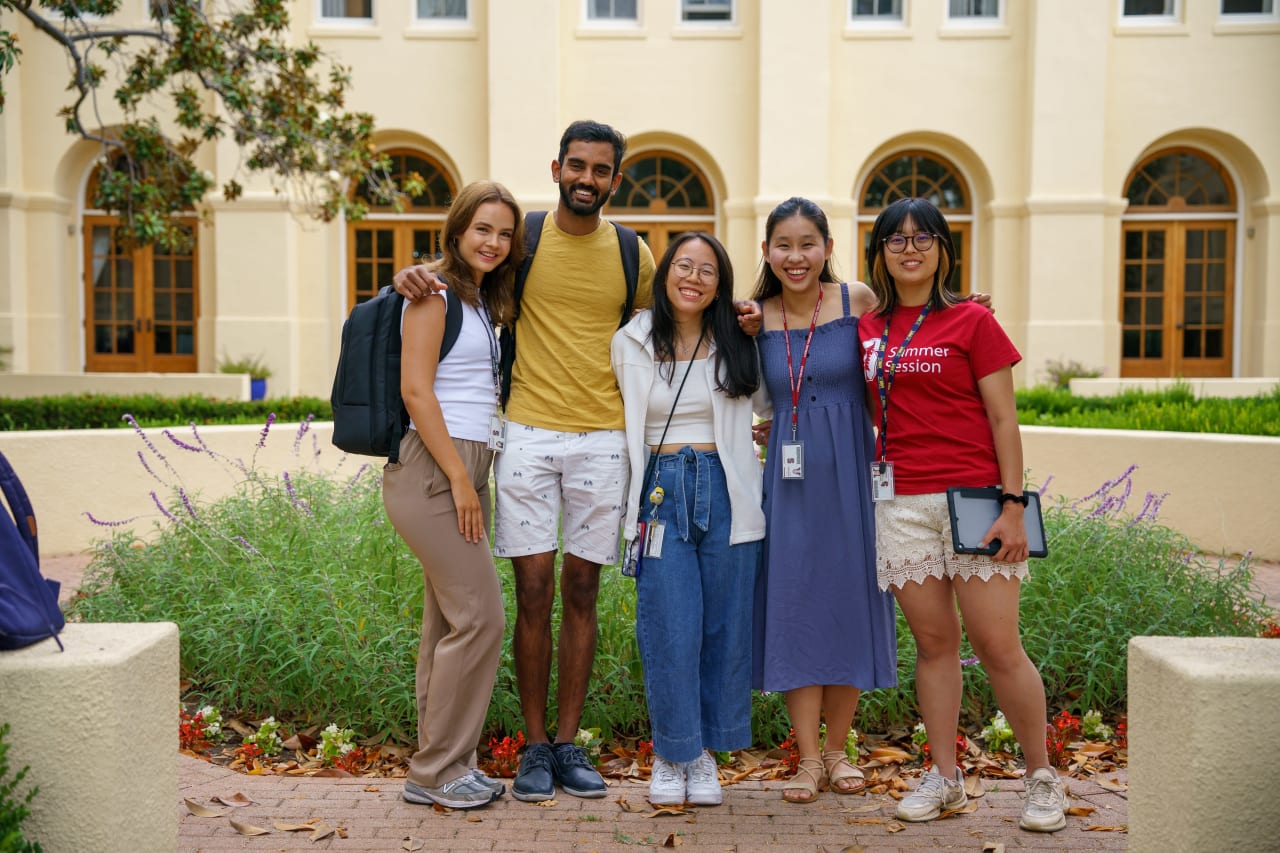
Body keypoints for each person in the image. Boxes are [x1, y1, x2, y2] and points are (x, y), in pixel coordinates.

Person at [394, 120, 761, 803]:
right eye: (577, 166)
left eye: (601, 170)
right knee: (531, 592)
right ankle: (533, 747)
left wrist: (747, 316)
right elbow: (462, 270)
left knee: (582, 593)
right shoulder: (523, 239)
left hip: (603, 439)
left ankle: (567, 743)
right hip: (527, 434)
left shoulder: (633, 254)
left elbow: (686, 314)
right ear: (557, 167)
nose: (587, 178)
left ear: (615, 179)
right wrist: (411, 271)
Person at [859, 196, 1067, 833]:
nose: (910, 248)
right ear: (880, 253)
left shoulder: (973, 322)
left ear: (945, 249)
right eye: (896, 239)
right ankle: (945, 778)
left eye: (924, 238)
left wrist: (1011, 505)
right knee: (933, 646)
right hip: (900, 502)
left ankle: (1041, 779)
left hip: (976, 500)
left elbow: (1005, 419)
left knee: (1000, 647)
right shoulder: (866, 324)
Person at [749, 197, 898, 803]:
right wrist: (764, 424)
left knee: (849, 599)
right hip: (788, 481)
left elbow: (916, 329)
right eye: (783, 245)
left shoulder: (857, 300)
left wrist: (969, 307)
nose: (796, 256)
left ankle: (839, 751)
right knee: (795, 602)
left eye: (807, 243)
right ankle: (808, 758)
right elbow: (743, 394)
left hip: (853, 472)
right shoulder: (753, 317)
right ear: (766, 252)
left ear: (828, 248)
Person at [381, 180, 522, 810]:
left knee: (446, 622)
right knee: (480, 617)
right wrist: (462, 479)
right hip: (435, 468)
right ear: (458, 230)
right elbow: (417, 391)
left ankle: (450, 763)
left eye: (504, 233)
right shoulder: (433, 295)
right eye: (483, 229)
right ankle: (433, 771)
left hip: (469, 462)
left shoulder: (483, 300)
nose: (493, 242)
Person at [611, 232, 765, 806]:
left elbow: (774, 402)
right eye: (683, 266)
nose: (693, 278)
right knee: (670, 625)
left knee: (723, 628)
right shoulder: (632, 340)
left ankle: (704, 754)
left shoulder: (741, 338)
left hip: (728, 489)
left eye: (707, 270)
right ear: (665, 272)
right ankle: (674, 753)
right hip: (660, 490)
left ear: (720, 283)